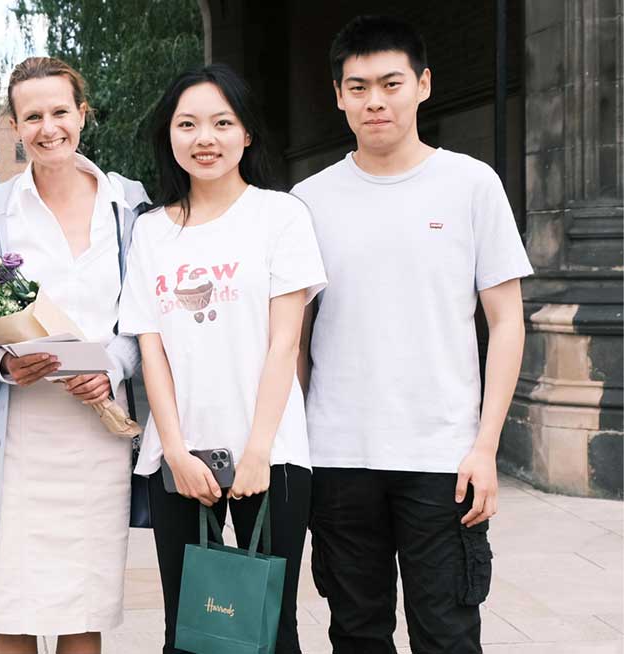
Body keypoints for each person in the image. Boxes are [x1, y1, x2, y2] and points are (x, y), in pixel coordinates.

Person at [292, 16, 532, 653]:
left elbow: (507, 321)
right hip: (339, 455)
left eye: (391, 83)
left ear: (423, 85)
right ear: (338, 96)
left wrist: (486, 447)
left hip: (442, 459)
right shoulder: (307, 200)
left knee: (448, 634)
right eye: (359, 86)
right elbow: (293, 339)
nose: (376, 100)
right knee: (357, 633)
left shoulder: (472, 184)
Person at [0, 56, 149, 654]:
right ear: (14, 125)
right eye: (32, 117)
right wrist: (3, 364)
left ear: (82, 113)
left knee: (84, 608)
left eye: (59, 112)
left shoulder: (128, 205)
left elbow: (145, 319)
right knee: (14, 608)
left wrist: (114, 365)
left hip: (97, 434)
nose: (48, 128)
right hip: (18, 434)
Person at [120, 64, 325, 654]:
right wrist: (176, 451)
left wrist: (259, 451)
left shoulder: (279, 216)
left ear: (247, 135)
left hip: (273, 455)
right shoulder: (151, 232)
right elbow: (149, 347)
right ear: (170, 136)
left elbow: (286, 342)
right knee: (190, 632)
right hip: (179, 461)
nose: (203, 138)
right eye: (187, 124)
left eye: (221, 122)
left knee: (268, 629)